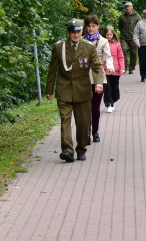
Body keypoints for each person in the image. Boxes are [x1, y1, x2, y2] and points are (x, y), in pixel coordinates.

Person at [45, 19, 105, 162]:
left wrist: (98, 83)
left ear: (81, 32)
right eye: (73, 32)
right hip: (64, 89)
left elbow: (97, 67)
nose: (76, 35)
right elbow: (52, 69)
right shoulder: (59, 47)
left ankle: (81, 148)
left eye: (78, 32)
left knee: (83, 122)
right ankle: (67, 151)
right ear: (68, 33)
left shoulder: (89, 48)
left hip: (83, 90)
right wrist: (49, 89)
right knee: (65, 120)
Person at [84, 14, 113, 143]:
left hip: (98, 78)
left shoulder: (103, 41)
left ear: (98, 26)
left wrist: (110, 66)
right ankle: (86, 133)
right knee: (86, 108)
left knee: (95, 108)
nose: (91, 29)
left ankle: (95, 131)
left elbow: (108, 56)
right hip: (83, 79)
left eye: (93, 26)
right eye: (89, 26)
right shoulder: (81, 40)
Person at [103, 25, 125, 112]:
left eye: (110, 34)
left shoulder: (117, 44)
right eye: (107, 34)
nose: (108, 36)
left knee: (114, 86)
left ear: (113, 35)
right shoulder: (102, 43)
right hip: (105, 69)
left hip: (116, 69)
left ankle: (114, 99)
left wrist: (122, 68)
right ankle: (109, 103)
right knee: (107, 87)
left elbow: (121, 57)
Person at [117, 2, 140, 74]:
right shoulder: (122, 17)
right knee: (123, 50)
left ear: (131, 9)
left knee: (134, 53)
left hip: (134, 38)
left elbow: (140, 27)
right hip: (124, 38)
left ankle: (131, 67)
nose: (125, 10)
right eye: (125, 9)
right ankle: (124, 66)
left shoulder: (137, 16)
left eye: (127, 9)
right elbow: (120, 26)